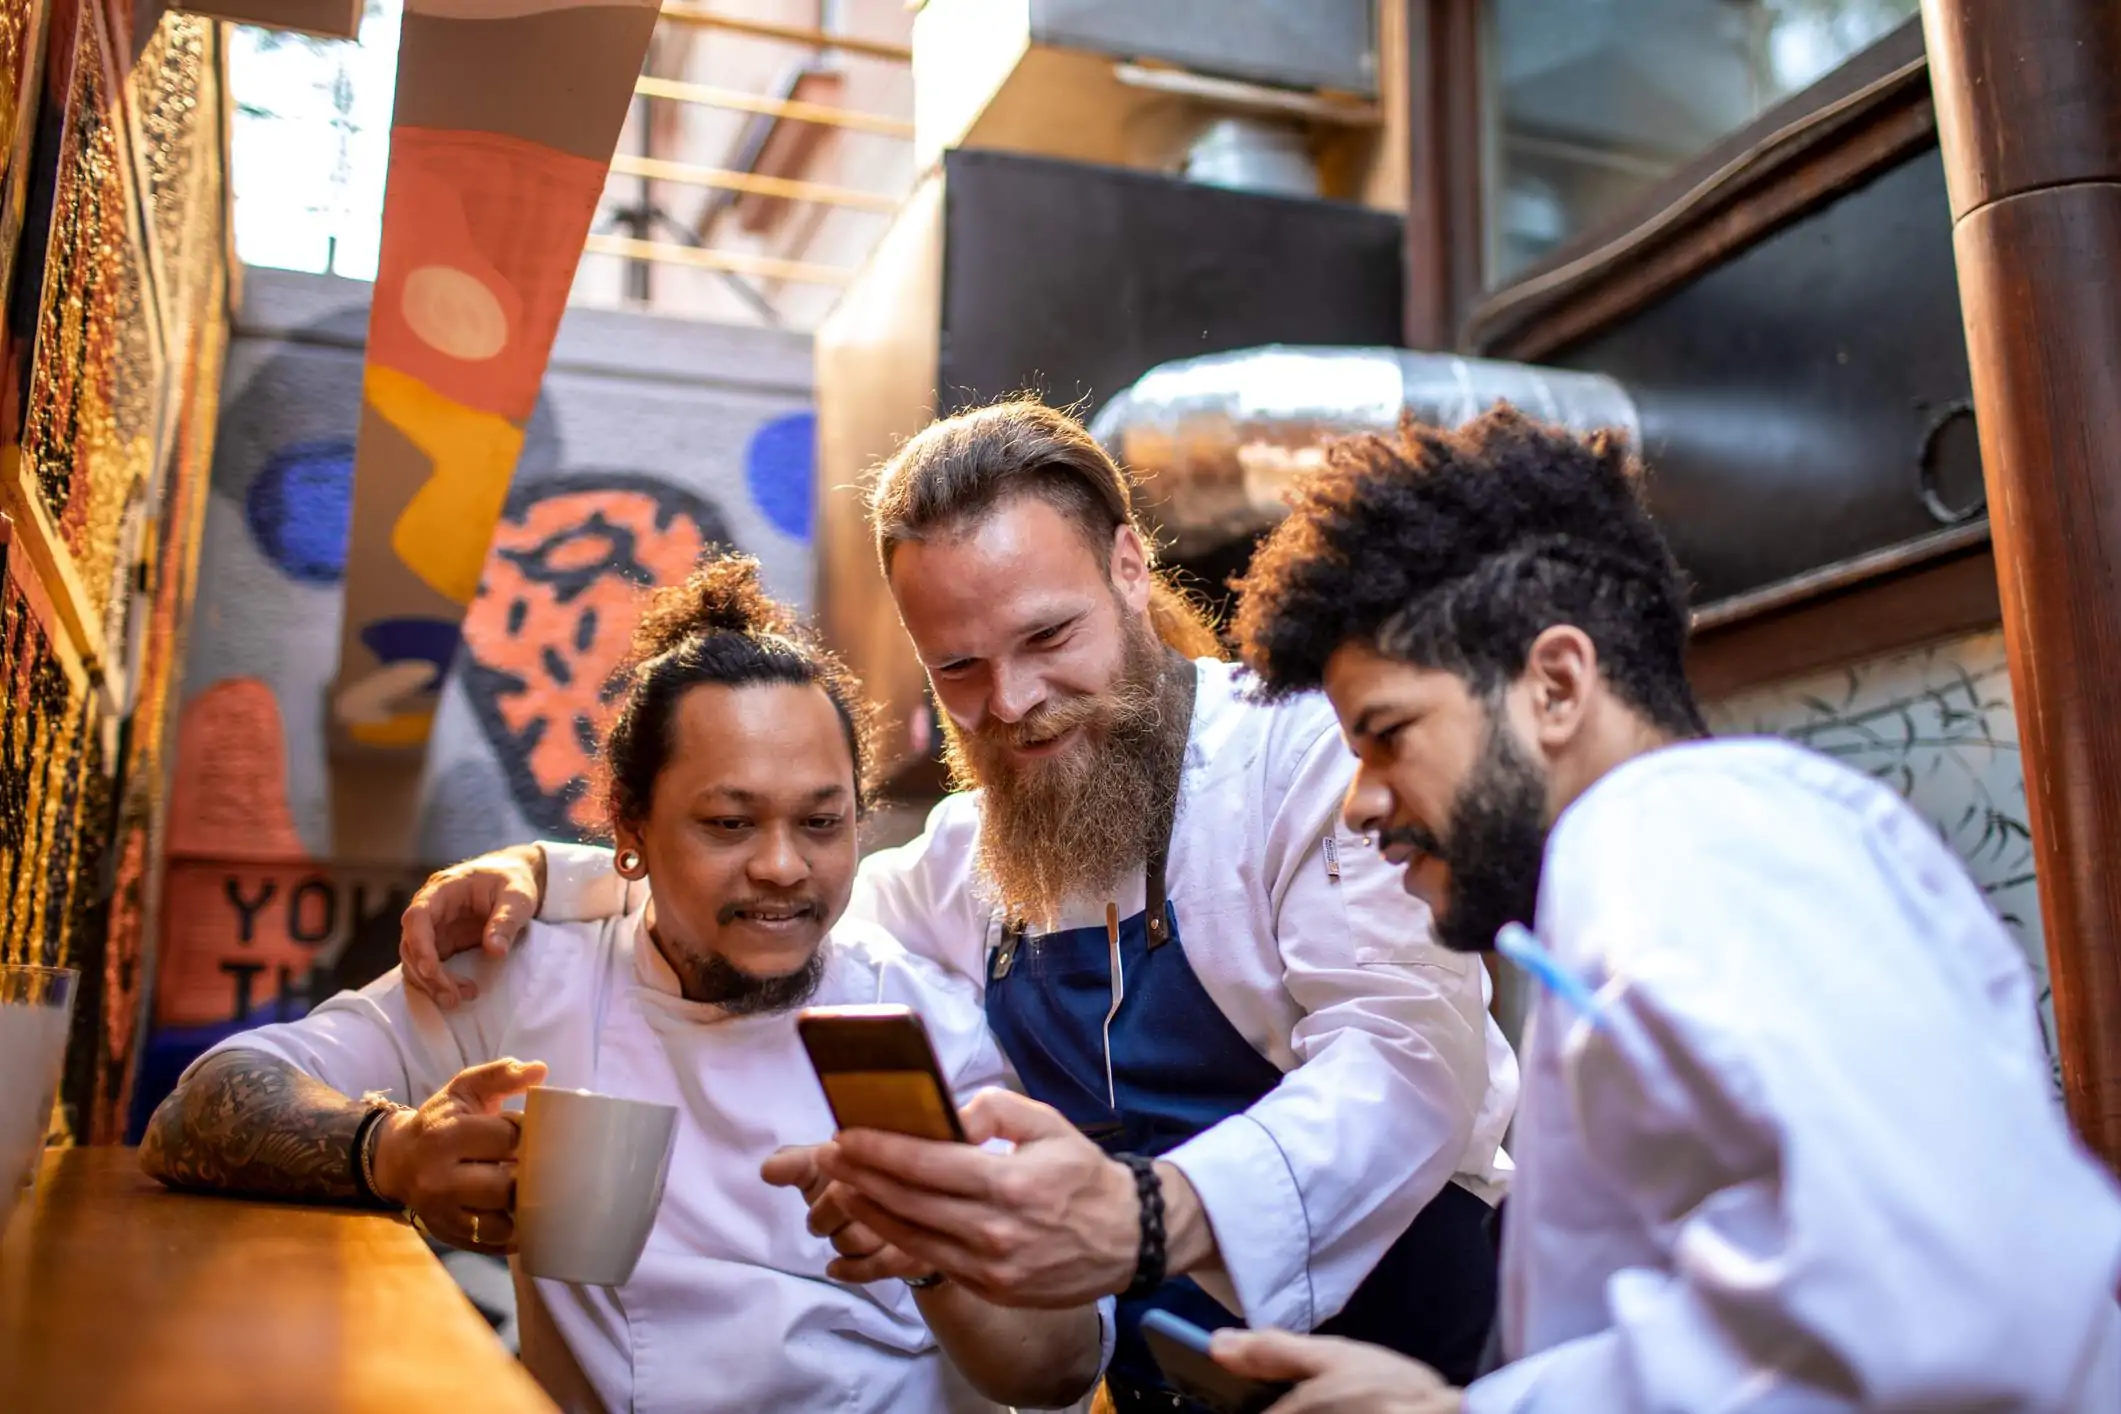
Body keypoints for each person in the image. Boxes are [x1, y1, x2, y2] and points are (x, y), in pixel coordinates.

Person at [397, 399, 1519, 1408]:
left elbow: (1404, 1068)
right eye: (960, 669)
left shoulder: (1309, 757)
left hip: (1408, 1363)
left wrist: (1137, 1219)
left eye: (1047, 637)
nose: (1013, 702)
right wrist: (555, 874)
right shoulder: (961, 859)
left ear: (1130, 567)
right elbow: (784, 895)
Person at [1206, 405, 2121, 1411]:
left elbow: (1957, 1296)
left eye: (1386, 734)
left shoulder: (1678, 837)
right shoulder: (1669, 857)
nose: (1360, 799)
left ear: (1555, 684)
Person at [140, 555, 1107, 1414]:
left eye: (821, 823)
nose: (783, 867)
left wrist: (934, 1257)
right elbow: (200, 1108)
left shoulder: (923, 1026)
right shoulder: (529, 980)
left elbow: (1060, 1368)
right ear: (630, 836)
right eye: (729, 824)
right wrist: (388, 1150)